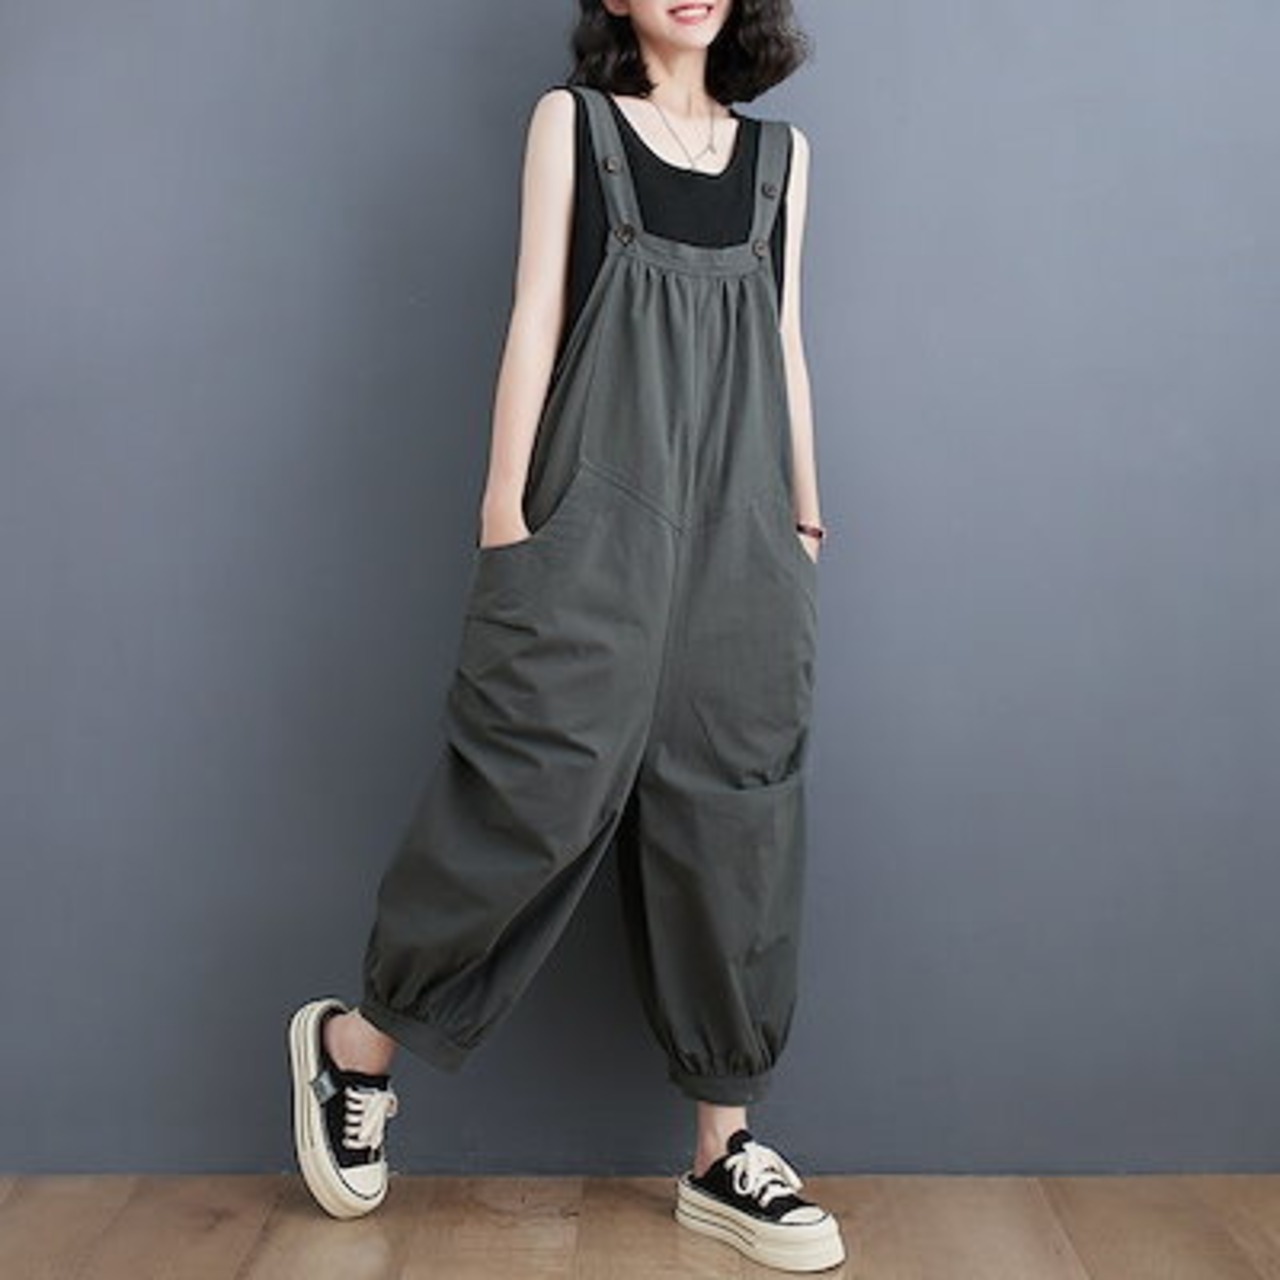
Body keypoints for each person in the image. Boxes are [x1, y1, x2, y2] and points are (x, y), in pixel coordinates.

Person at [288, 0, 844, 1271]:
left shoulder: (782, 158)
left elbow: (782, 338)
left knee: (735, 810)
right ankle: (353, 1047)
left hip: (747, 521)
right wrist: (505, 508)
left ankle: (722, 1149)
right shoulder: (574, 126)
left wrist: (805, 515)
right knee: (538, 782)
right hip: (590, 503)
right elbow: (535, 312)